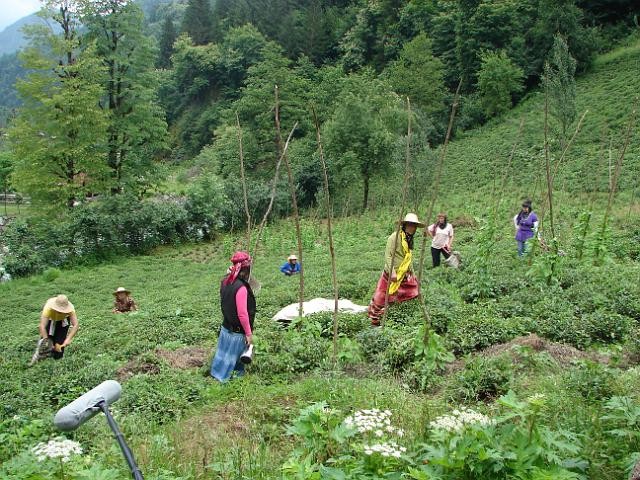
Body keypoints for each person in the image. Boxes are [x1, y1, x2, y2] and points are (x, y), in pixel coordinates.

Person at [368, 213, 424, 326]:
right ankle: (375, 321)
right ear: (405, 225)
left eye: (414, 226)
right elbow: (388, 255)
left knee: (413, 292)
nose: (412, 228)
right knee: (380, 298)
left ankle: (397, 316)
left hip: (403, 274)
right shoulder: (395, 237)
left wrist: (412, 273)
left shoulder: (409, 239)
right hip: (391, 274)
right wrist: (392, 272)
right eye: (410, 225)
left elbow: (408, 258)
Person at [211, 251, 256, 382]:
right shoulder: (241, 287)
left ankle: (219, 375)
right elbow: (242, 313)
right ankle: (226, 381)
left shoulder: (225, 281)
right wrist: (248, 333)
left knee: (223, 357)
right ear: (247, 270)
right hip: (236, 332)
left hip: (226, 327)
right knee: (233, 360)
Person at [37, 295, 79, 361]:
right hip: (50, 320)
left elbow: (76, 325)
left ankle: (57, 360)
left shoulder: (71, 310)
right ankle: (44, 359)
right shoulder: (48, 308)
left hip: (63, 321)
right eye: (59, 310)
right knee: (48, 341)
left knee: (60, 342)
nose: (61, 312)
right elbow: (42, 326)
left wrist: (68, 339)